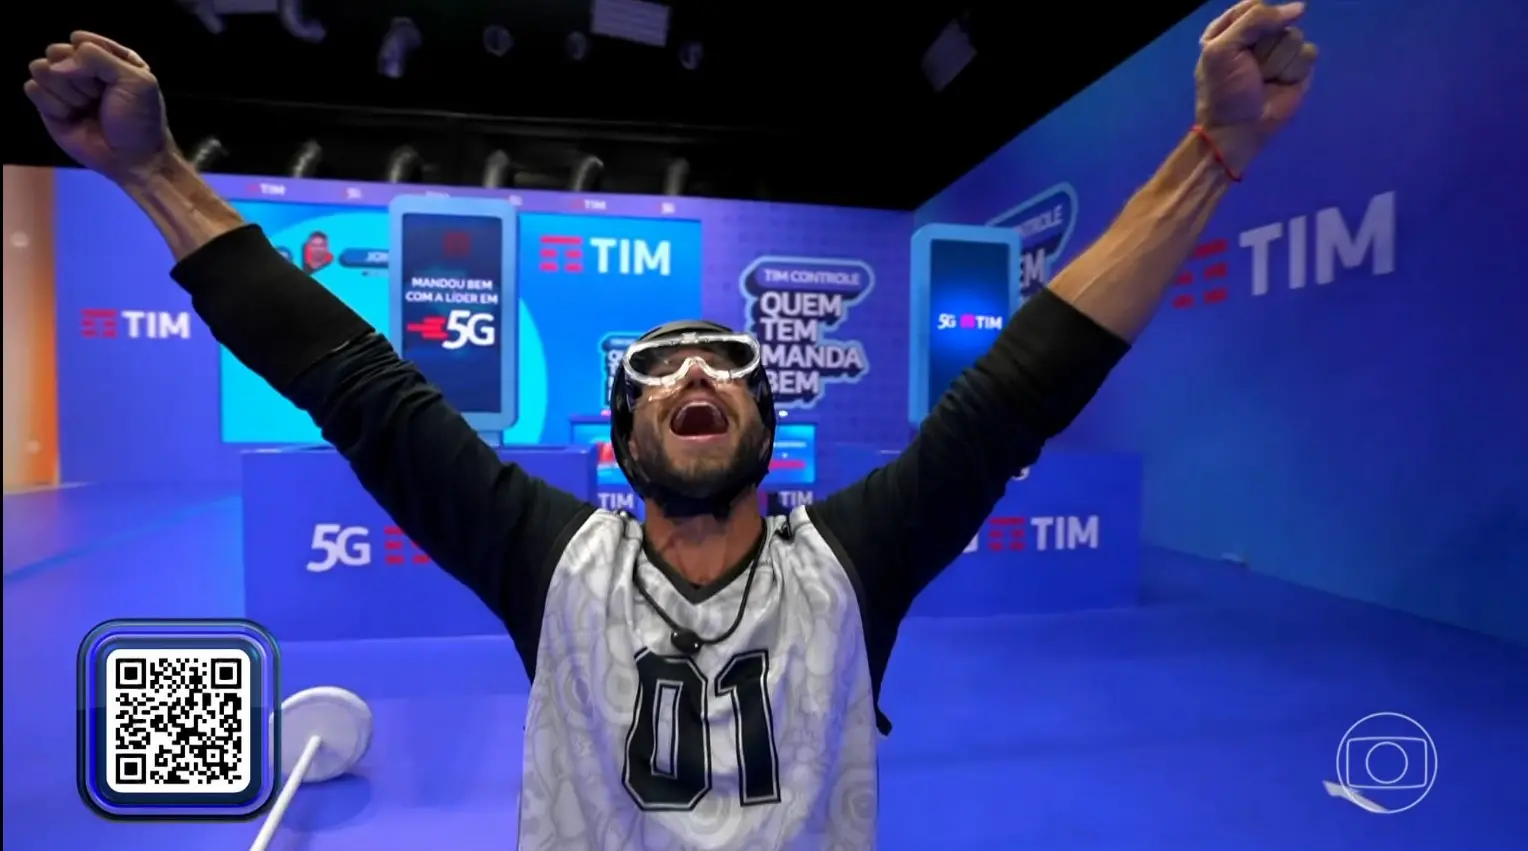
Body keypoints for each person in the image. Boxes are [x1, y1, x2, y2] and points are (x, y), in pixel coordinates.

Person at [24, 3, 1315, 847]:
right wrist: (151, 170)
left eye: (729, 361)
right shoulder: (548, 561)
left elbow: (1028, 377)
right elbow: (350, 380)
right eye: (658, 368)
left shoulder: (851, 564)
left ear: (764, 416)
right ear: (624, 432)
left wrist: (1215, 148)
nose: (696, 370)